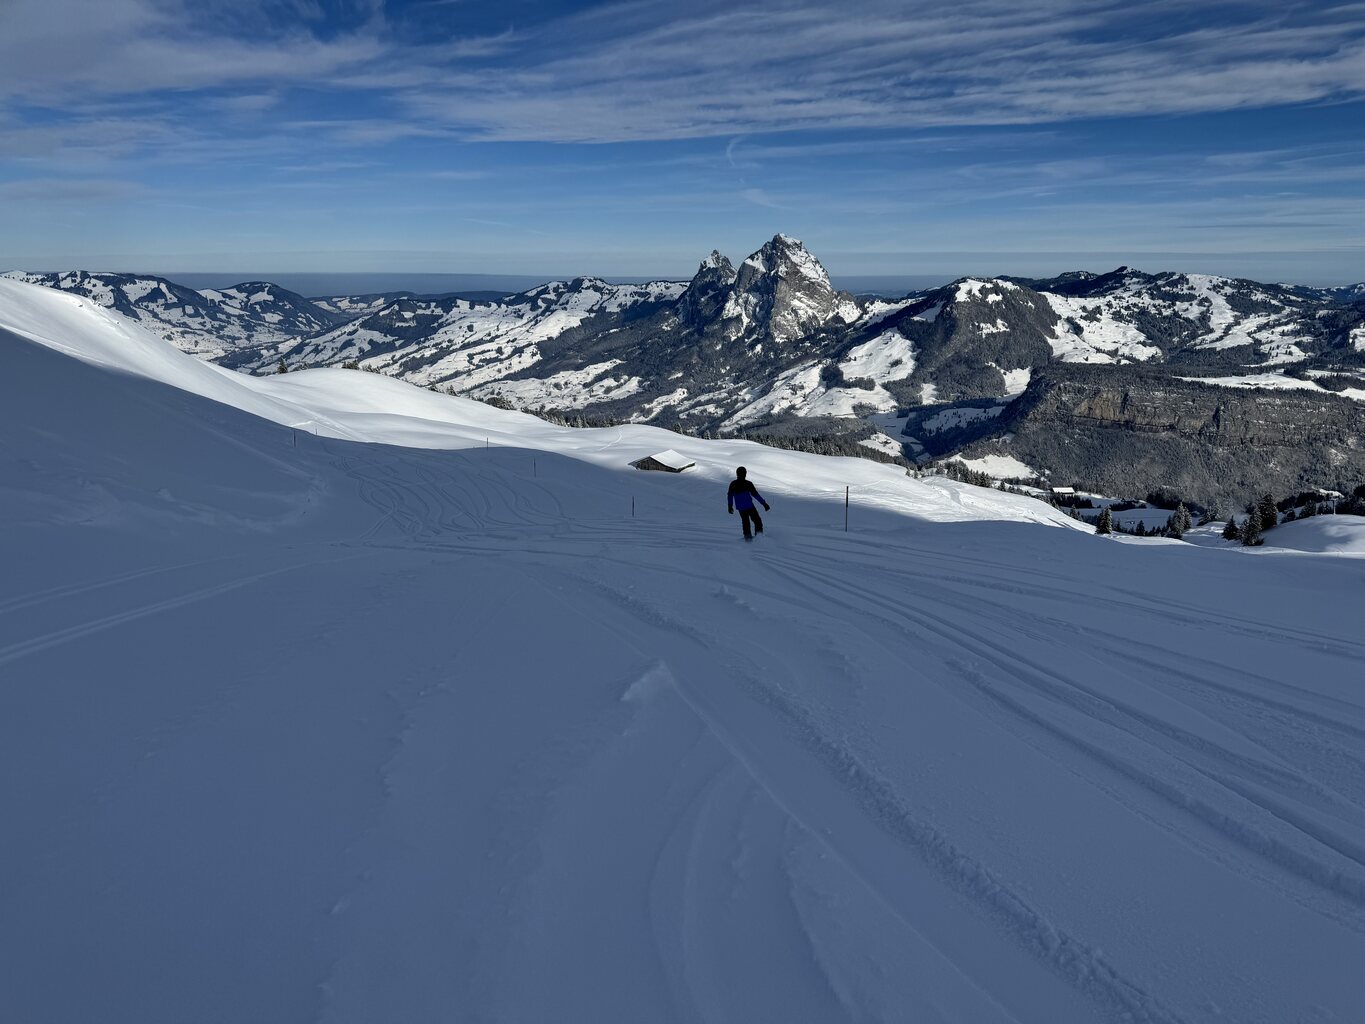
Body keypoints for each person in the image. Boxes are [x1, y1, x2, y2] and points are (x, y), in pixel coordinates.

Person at [727, 466, 770, 540]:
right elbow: (756, 495)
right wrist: (764, 504)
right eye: (745, 473)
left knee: (745, 522)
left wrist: (730, 506)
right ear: (745, 474)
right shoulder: (748, 483)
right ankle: (759, 538)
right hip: (749, 506)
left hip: (741, 508)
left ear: (737, 474)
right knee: (757, 521)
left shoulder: (733, 484)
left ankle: (747, 538)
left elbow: (730, 496)